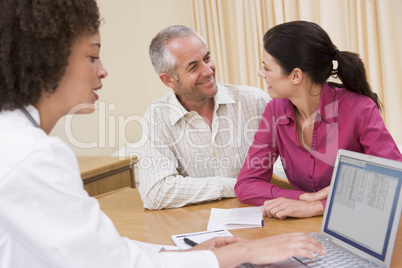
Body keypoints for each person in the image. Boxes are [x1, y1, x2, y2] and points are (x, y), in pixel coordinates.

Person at [0, 3, 325, 267]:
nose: (103, 70)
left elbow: (106, 252)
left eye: (207, 58)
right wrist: (242, 252)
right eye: (92, 56)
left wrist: (191, 255)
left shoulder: (255, 101)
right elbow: (115, 258)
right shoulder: (33, 157)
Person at [235, 20, 402, 220]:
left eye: (267, 68)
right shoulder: (274, 111)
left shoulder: (359, 109)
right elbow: (246, 184)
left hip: (359, 223)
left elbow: (393, 182)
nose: (261, 73)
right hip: (302, 229)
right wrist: (304, 198)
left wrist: (319, 207)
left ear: (296, 76)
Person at [129, 25, 273, 210]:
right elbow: (156, 192)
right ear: (168, 80)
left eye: (207, 58)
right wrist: (239, 186)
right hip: (200, 229)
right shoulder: (157, 118)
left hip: (264, 221)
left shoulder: (255, 100)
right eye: (193, 67)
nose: (208, 70)